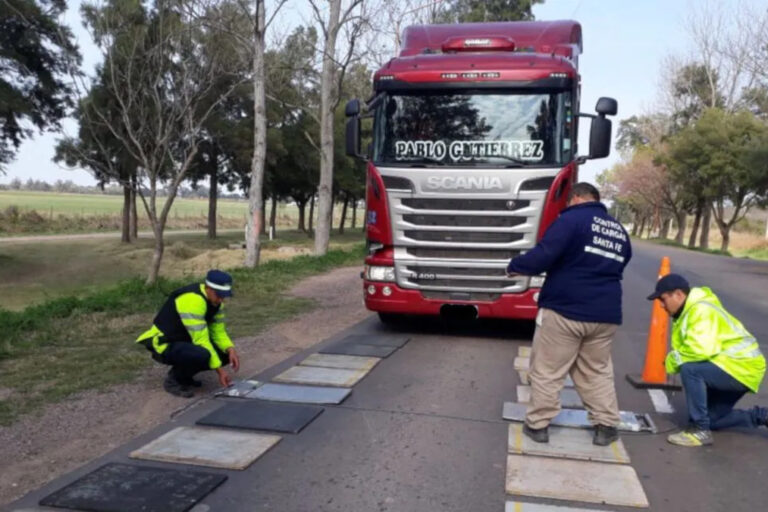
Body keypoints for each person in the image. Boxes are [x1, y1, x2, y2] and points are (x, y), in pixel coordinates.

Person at [506, 182, 631, 446]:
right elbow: (622, 262)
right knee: (596, 371)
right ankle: (606, 425)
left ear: (575, 198)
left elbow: (544, 255)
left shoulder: (571, 220)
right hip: (606, 314)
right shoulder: (618, 230)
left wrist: (515, 265)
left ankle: (538, 424)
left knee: (548, 370)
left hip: (566, 309)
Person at [647, 273, 767, 446]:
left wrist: (671, 361)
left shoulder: (700, 310)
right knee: (712, 420)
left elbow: (699, 349)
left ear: (679, 294)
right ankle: (762, 416)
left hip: (740, 366)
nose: (662, 305)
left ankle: (699, 430)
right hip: (733, 366)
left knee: (691, 370)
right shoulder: (689, 311)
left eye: (663, 299)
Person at [136, 269, 240, 398]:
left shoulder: (217, 304)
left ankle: (185, 377)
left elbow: (218, 331)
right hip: (164, 343)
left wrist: (230, 349)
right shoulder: (192, 300)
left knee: (225, 354)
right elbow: (201, 339)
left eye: (224, 296)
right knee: (202, 354)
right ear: (208, 288)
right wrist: (220, 371)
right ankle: (173, 380)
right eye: (219, 295)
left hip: (185, 341)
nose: (221, 300)